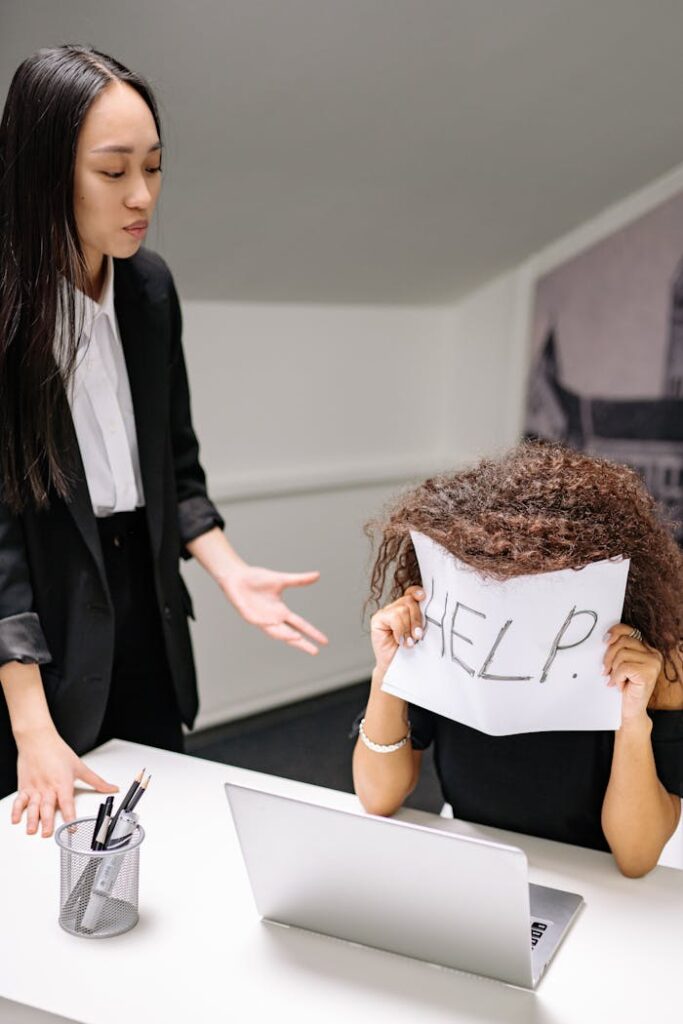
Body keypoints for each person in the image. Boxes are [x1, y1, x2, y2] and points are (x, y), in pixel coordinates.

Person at [0, 45, 328, 836]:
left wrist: (231, 572)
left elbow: (176, 470)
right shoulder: (9, 317)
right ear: (46, 171)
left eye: (154, 167)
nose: (141, 195)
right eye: (113, 172)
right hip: (38, 641)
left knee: (157, 834)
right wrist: (32, 729)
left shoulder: (149, 288)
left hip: (144, 609)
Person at [353, 441, 683, 877]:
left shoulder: (655, 663)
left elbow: (636, 858)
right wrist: (388, 673)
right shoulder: (450, 634)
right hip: (478, 863)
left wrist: (633, 719)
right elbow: (377, 797)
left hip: (594, 876)